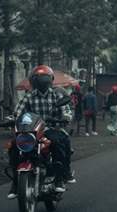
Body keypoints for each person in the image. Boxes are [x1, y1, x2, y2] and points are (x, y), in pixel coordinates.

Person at [8, 65, 74, 199]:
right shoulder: (29, 96)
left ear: (50, 79)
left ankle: (59, 177)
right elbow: (18, 111)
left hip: (51, 128)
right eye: (38, 78)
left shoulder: (56, 94)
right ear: (33, 81)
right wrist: (12, 119)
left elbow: (66, 110)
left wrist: (64, 118)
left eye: (44, 78)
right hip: (32, 130)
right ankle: (16, 182)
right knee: (15, 146)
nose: (41, 81)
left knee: (57, 143)